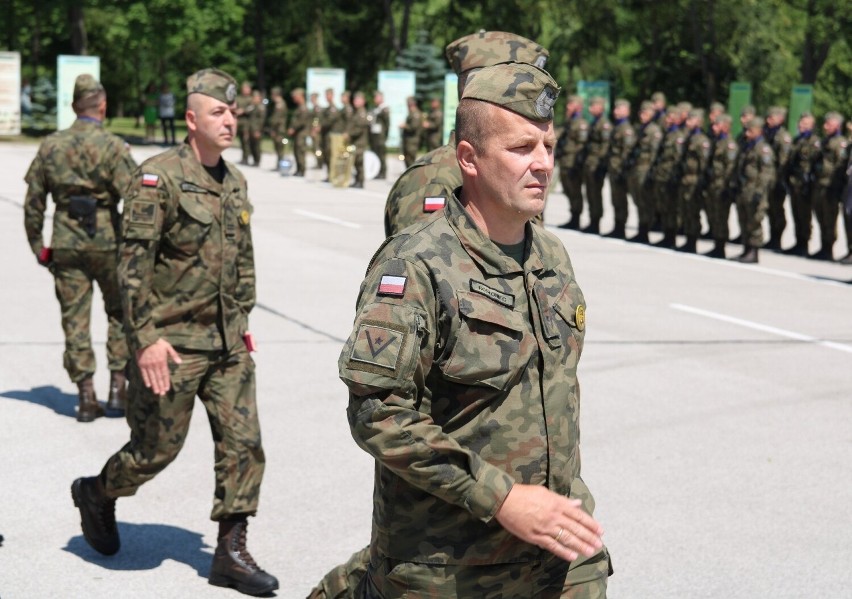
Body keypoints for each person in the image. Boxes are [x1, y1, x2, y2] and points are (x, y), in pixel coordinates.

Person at [330, 61, 611, 599]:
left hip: (558, 554)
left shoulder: (550, 255)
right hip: (450, 567)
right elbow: (377, 413)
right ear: (469, 158)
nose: (543, 164)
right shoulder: (416, 264)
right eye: (522, 148)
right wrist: (502, 498)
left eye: (548, 146)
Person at [70, 68, 278, 596]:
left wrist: (244, 322)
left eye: (233, 113)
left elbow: (242, 262)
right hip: (171, 343)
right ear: (191, 119)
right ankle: (97, 492)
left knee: (244, 444)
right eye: (218, 112)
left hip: (227, 344)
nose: (229, 120)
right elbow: (130, 267)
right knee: (154, 451)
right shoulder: (156, 177)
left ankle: (230, 551)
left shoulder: (236, 181)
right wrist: (144, 340)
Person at [24, 73, 134, 422]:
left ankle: (85, 397)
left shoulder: (51, 145)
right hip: (107, 241)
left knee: (75, 319)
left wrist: (39, 246)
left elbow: (33, 203)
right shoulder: (114, 146)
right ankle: (118, 389)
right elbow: (137, 198)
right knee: (119, 313)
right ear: (102, 105)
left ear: (74, 107)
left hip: (67, 242)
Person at [732, 116, 775, 263]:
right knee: (744, 220)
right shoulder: (747, 146)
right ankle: (746, 249)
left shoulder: (763, 149)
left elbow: (766, 173)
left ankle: (754, 251)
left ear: (759, 131)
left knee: (754, 221)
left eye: (750, 131)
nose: (747, 134)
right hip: (744, 190)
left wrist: (759, 191)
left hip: (755, 191)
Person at [812, 112, 850, 261]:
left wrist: (837, 188)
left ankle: (829, 248)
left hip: (831, 187)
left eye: (829, 123)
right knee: (820, 216)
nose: (825, 126)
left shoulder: (840, 143)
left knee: (829, 218)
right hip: (820, 185)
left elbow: (840, 167)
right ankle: (824, 246)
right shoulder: (825, 141)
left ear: (837, 125)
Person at [626, 100, 663, 243]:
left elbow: (654, 153)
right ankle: (642, 230)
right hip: (637, 169)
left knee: (645, 202)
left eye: (645, 113)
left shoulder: (654, 131)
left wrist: (651, 173)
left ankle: (645, 230)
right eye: (641, 112)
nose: (642, 115)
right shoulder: (641, 129)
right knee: (639, 201)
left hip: (646, 169)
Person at [785, 112, 820, 256]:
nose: (801, 125)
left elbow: (813, 163)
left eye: (805, 123)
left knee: (804, 215)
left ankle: (804, 243)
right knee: (796, 213)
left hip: (806, 184)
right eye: (801, 123)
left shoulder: (814, 141)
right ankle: (798, 241)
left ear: (812, 126)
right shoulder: (797, 140)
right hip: (795, 183)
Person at [703, 114, 738, 259]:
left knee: (722, 217)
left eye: (717, 125)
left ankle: (721, 246)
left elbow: (730, 169)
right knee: (715, 216)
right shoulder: (717, 142)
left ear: (725, 126)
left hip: (722, 186)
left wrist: (727, 187)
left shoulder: (729, 145)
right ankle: (717, 245)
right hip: (714, 185)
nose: (714, 127)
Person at [677, 109, 712, 253]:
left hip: (695, 180)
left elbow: (704, 163)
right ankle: (689, 239)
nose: (687, 122)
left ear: (698, 121)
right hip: (686, 179)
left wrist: (702, 181)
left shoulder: (702, 141)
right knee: (686, 210)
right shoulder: (689, 138)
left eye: (691, 120)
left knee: (693, 210)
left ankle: (693, 240)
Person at [555, 94, 589, 230]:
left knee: (575, 191)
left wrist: (577, 164)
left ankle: (576, 218)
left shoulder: (581, 124)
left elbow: (581, 145)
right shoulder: (569, 122)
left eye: (571, 104)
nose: (568, 107)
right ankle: (573, 215)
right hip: (565, 162)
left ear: (578, 107)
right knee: (568, 190)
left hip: (573, 163)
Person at [606, 98, 636, 239]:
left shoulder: (627, 130)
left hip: (620, 171)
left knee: (621, 200)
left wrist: (622, 171)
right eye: (615, 108)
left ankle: (621, 227)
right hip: (614, 169)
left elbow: (627, 152)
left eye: (619, 109)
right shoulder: (617, 127)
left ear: (627, 111)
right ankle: (617, 226)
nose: (615, 111)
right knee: (615, 199)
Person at [582, 96, 612, 234]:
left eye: (593, 106)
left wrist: (600, 164)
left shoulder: (604, 124)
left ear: (600, 107)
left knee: (595, 194)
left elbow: (605, 146)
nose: (590, 108)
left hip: (596, 165)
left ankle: (596, 222)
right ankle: (592, 220)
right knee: (590, 193)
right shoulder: (595, 122)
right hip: (590, 164)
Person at [764, 106, 792, 250]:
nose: (768, 119)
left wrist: (780, 179)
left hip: (777, 179)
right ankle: (772, 235)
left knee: (777, 209)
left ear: (780, 119)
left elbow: (783, 161)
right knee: (769, 208)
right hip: (767, 179)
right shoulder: (767, 133)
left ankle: (777, 237)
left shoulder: (783, 137)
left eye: (772, 117)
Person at [346, 91, 370, 188]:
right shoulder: (356, 112)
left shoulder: (362, 113)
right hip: (355, 141)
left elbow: (359, 129)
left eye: (358, 99)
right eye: (355, 99)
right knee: (356, 161)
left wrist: (349, 134)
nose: (355, 101)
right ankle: (357, 180)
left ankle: (360, 181)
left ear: (363, 101)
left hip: (360, 141)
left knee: (359, 161)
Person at [288, 87, 311, 177]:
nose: (294, 98)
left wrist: (293, 128)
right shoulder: (299, 108)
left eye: (295, 96)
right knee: (296, 151)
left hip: (302, 133)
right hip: (298, 134)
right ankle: (298, 169)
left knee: (300, 151)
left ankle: (302, 169)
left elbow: (301, 121)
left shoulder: (304, 108)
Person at [368, 91, 390, 179]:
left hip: (381, 135)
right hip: (374, 135)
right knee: (376, 153)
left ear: (381, 98)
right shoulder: (375, 109)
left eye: (376, 97)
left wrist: (385, 135)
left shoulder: (384, 108)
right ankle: (377, 171)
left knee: (381, 154)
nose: (375, 99)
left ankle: (383, 172)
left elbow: (387, 123)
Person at [266, 86, 289, 170]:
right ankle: (279, 165)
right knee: (278, 148)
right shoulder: (278, 104)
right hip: (277, 130)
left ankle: (281, 166)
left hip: (279, 130)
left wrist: (272, 128)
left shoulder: (280, 105)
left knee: (280, 148)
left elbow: (277, 119)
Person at [400, 96, 423, 167]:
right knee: (407, 159)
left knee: (410, 159)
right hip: (408, 140)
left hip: (412, 141)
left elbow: (414, 127)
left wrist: (405, 126)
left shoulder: (416, 114)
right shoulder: (411, 113)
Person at [247, 89, 266, 167]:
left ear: (259, 98)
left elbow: (261, 120)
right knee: (252, 145)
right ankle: (254, 160)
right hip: (251, 128)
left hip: (257, 129)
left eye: (255, 97)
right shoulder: (253, 106)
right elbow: (247, 112)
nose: (254, 99)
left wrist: (258, 130)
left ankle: (257, 160)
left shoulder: (261, 107)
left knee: (257, 146)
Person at [235, 81, 253, 165]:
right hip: (239, 122)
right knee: (242, 141)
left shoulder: (251, 99)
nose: (245, 90)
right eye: (244, 88)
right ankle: (243, 158)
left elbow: (252, 108)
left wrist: (243, 111)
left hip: (247, 123)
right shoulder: (238, 98)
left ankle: (247, 158)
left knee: (246, 141)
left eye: (247, 88)